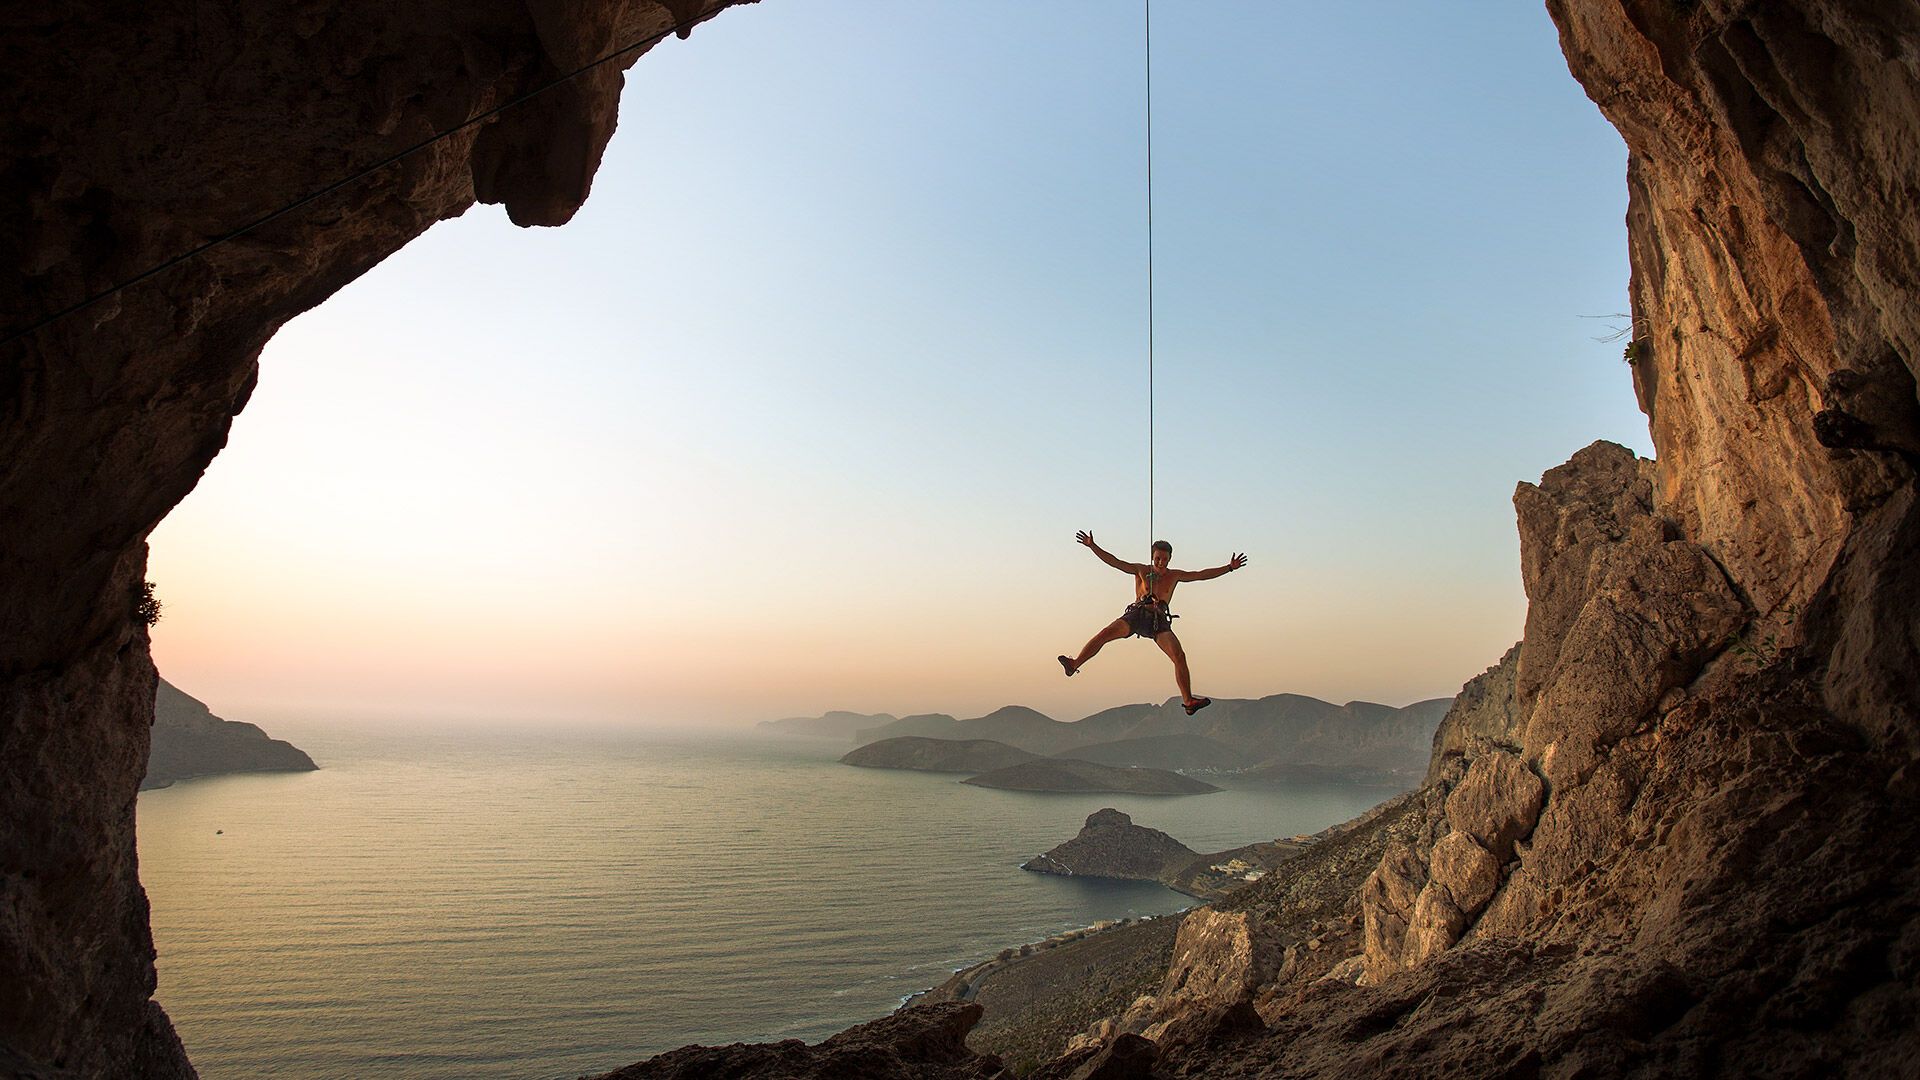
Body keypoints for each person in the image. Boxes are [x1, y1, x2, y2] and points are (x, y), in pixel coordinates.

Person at [1058, 531, 1248, 715]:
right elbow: (1115, 562)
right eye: (1157, 558)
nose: (1160, 562)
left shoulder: (1174, 575)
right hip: (1138, 614)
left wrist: (1229, 568)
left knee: (1179, 656)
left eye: (1164, 559)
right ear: (1152, 557)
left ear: (1169, 559)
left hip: (1158, 621)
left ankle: (1188, 701)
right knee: (1105, 634)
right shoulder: (1141, 570)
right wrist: (1093, 546)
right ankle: (1074, 664)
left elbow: (1200, 574)